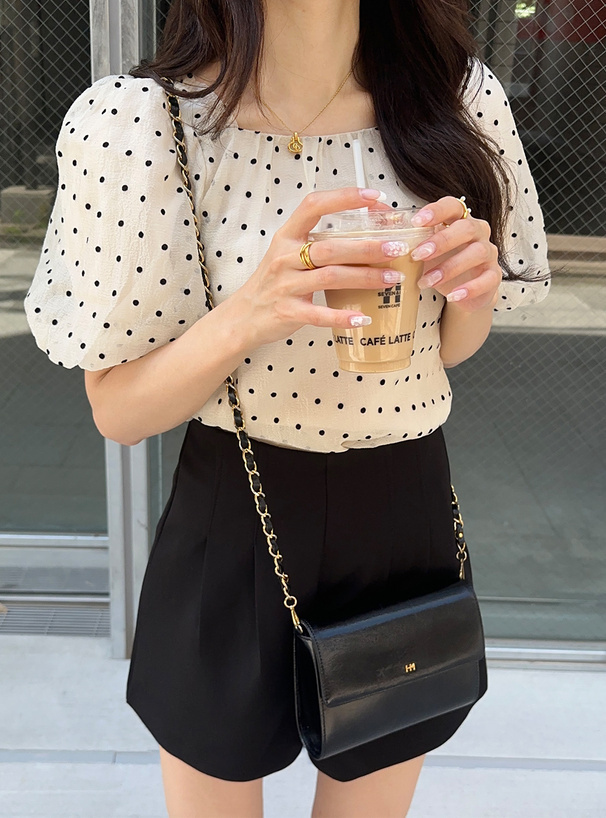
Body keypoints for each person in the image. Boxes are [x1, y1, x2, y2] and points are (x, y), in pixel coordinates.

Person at [24, 0, 551, 815]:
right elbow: (118, 412)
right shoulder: (143, 124)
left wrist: (471, 289)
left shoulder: (456, 99)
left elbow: (446, 350)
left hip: (404, 515)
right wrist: (253, 310)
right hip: (237, 517)